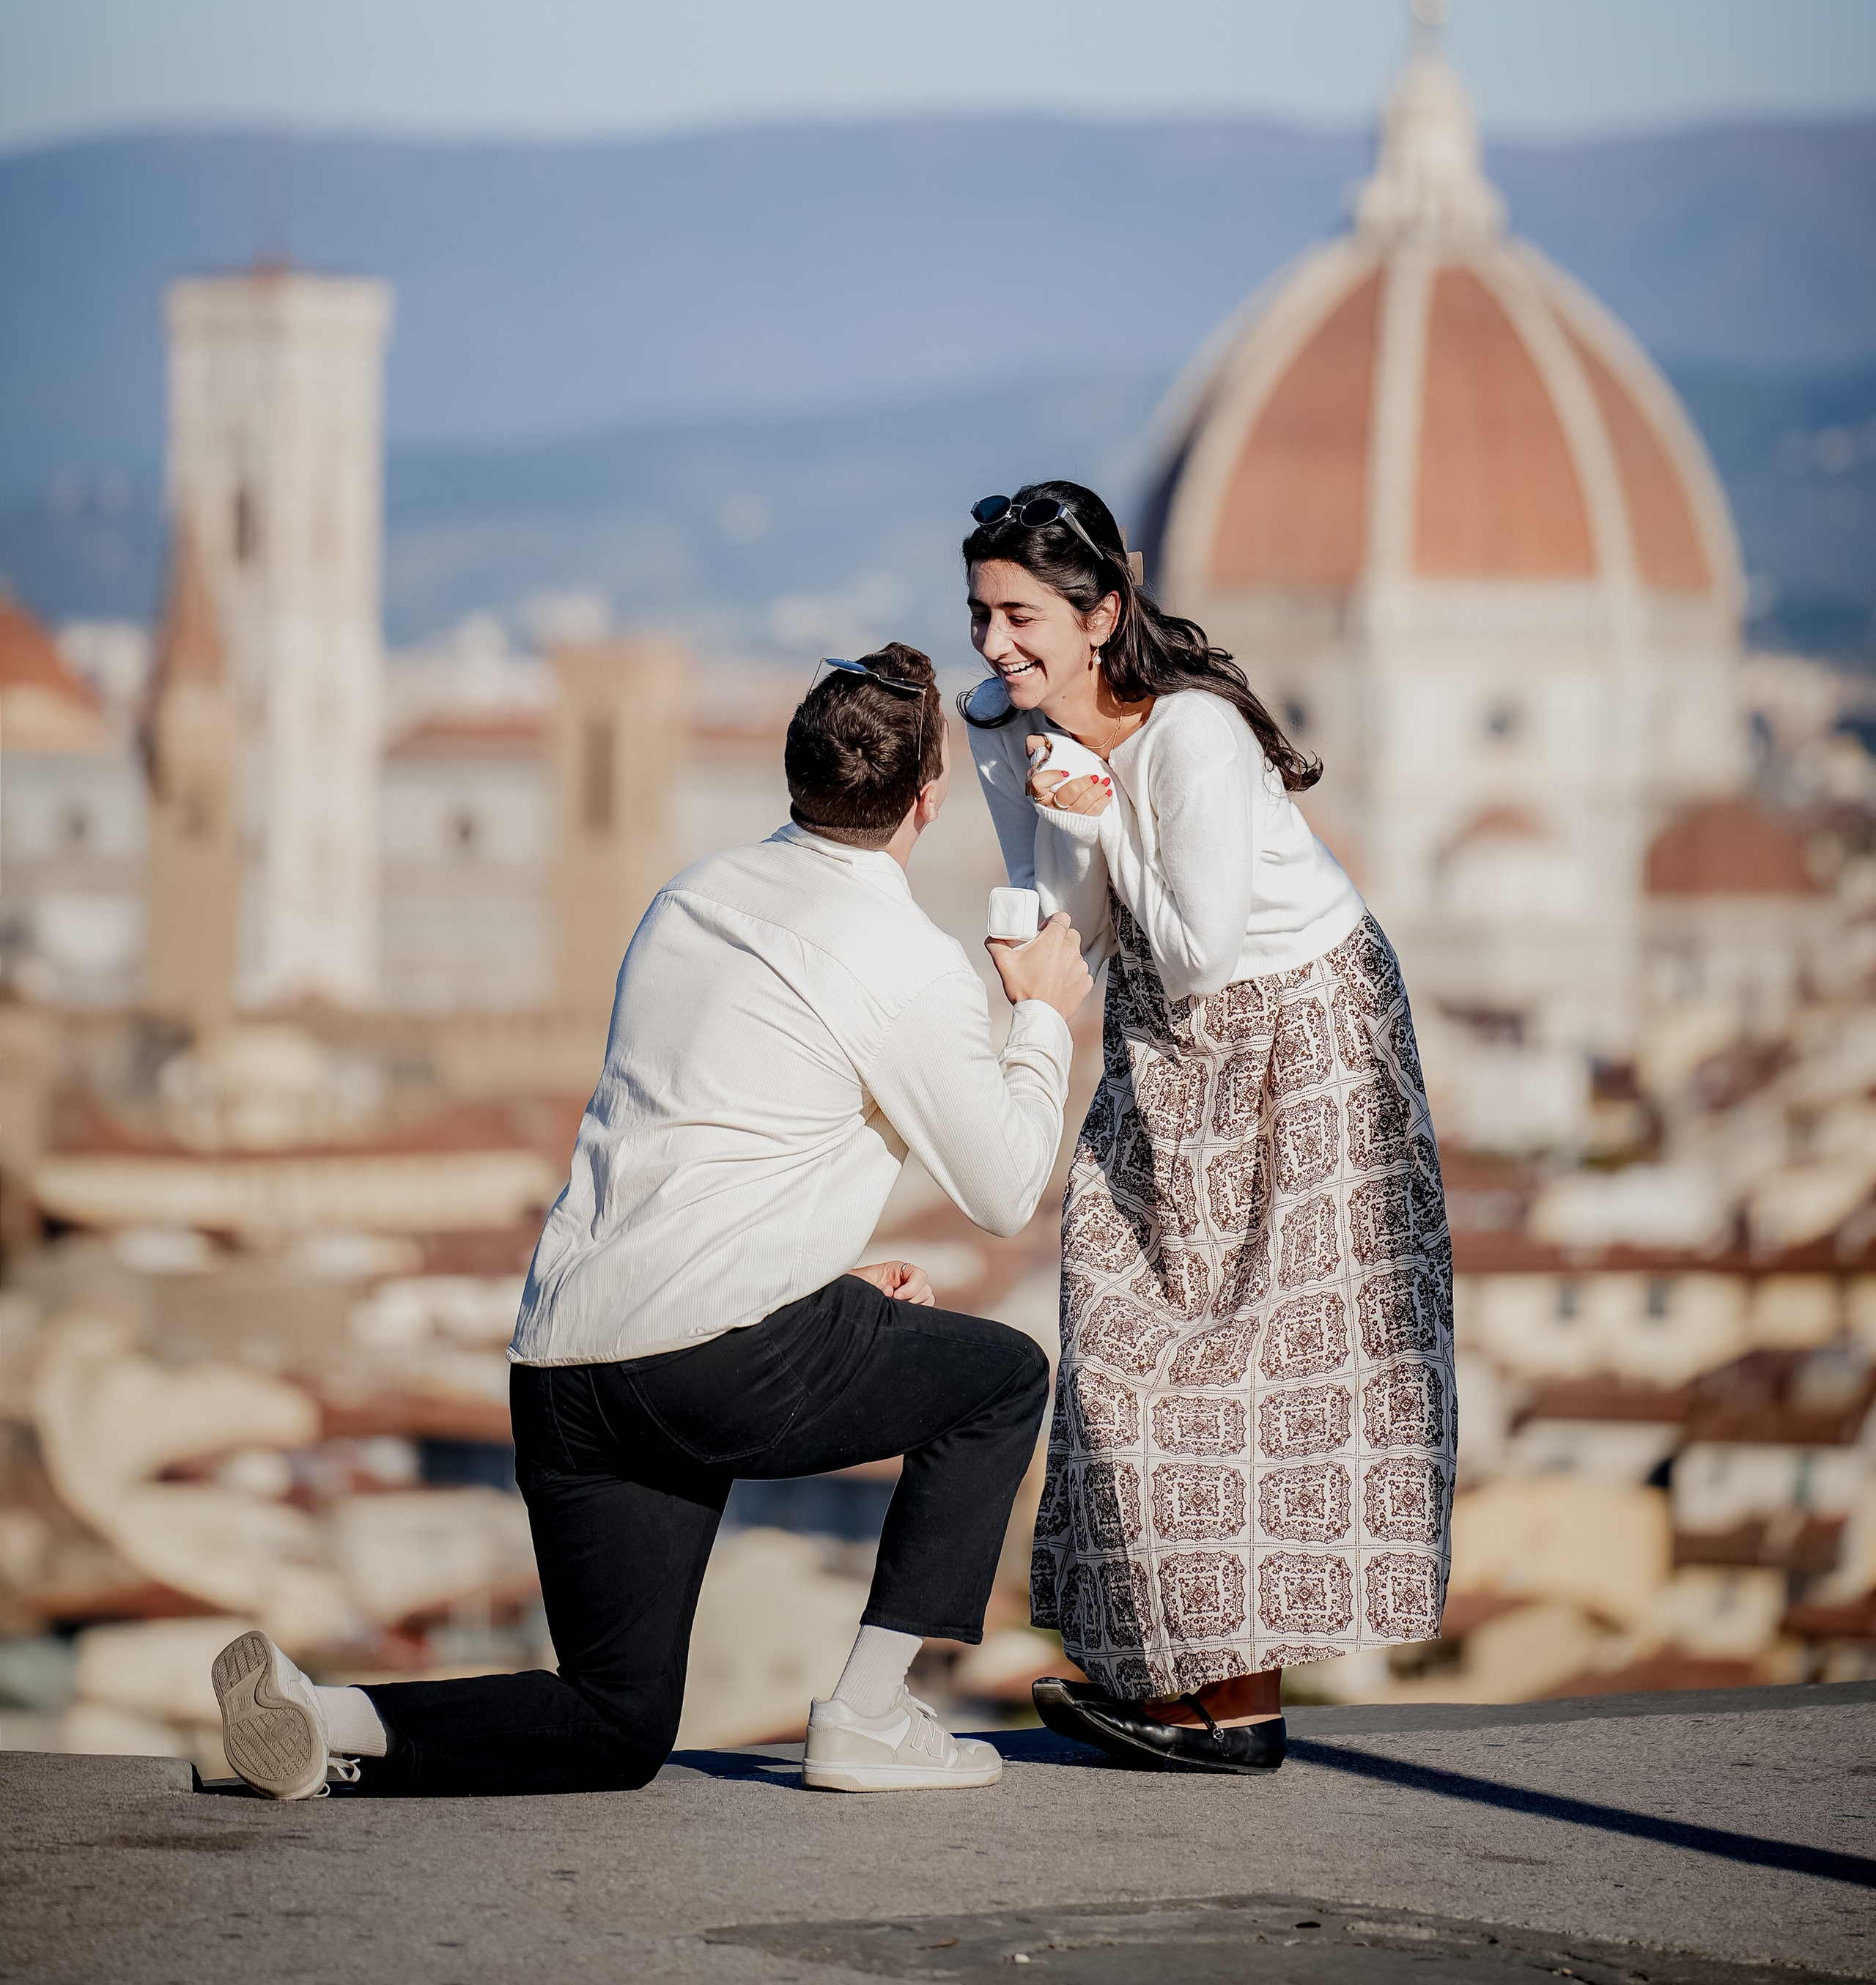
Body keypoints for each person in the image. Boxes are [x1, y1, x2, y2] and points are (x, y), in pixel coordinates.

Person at [212, 643, 1090, 1801]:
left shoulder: (692, 899)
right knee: (1002, 1379)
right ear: (928, 797)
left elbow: (712, 1147)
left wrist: (820, 1288)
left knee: (615, 1722)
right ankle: (871, 1714)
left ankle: (323, 1717)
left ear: (797, 774)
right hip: (706, 1363)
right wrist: (1040, 1018)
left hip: (567, 1360)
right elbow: (1005, 1187)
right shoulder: (905, 961)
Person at [959, 484, 1455, 1776]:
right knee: (1115, 1323)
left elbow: (1195, 951)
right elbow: (1074, 917)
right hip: (1164, 1045)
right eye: (982, 617)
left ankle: (1231, 1707)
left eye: (1020, 616)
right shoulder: (1007, 722)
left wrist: (1092, 804)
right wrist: (1034, 792)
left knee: (1257, 1377)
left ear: (1101, 613)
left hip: (1306, 1040)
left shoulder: (1191, 737)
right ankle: (1175, 1681)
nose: (997, 643)